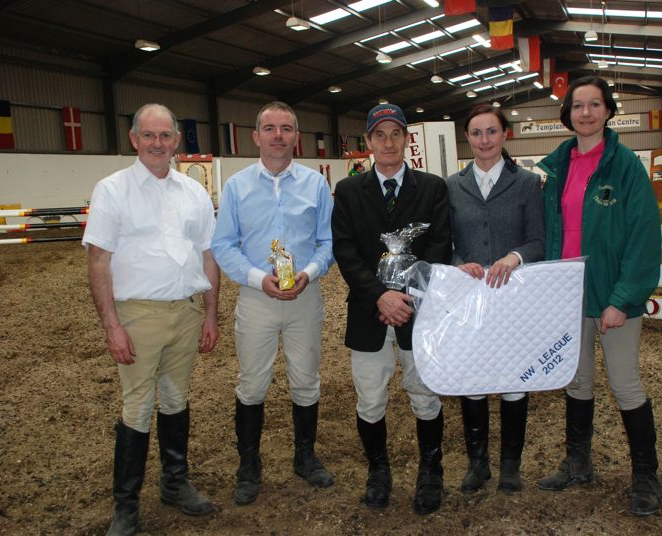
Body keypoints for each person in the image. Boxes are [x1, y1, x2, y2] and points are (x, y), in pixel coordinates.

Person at [84, 103, 220, 536]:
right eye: (149, 135)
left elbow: (208, 255)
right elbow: (98, 260)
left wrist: (211, 313)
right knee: (138, 406)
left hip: (186, 311)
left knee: (176, 398)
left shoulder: (194, 192)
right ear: (134, 139)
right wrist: (112, 325)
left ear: (176, 140)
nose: (157, 143)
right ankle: (126, 506)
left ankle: (174, 484)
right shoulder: (112, 190)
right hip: (138, 314)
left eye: (165, 136)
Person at [535, 76, 662, 516]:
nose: (585, 113)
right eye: (577, 106)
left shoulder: (625, 167)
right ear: (567, 114)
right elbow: (549, 231)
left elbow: (644, 237)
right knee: (577, 380)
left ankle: (646, 475)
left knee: (625, 384)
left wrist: (622, 299)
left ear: (608, 111)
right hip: (568, 295)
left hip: (612, 296)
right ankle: (578, 462)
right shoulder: (557, 166)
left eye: (594, 105)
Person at [210, 101, 335, 506]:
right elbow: (223, 245)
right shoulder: (236, 187)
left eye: (285, 128)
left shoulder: (315, 185)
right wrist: (256, 278)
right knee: (252, 383)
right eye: (270, 128)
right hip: (257, 297)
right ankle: (249, 465)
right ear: (256, 136)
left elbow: (328, 241)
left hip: (304, 296)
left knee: (306, 378)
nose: (278, 136)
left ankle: (305, 456)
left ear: (296, 136)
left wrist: (309, 273)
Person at [331, 103, 452, 515]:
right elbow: (346, 251)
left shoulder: (432, 188)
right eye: (379, 135)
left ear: (406, 139)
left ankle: (431, 472)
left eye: (395, 134)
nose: (388, 142)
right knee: (370, 398)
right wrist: (379, 296)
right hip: (369, 311)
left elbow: (440, 247)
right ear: (368, 141)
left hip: (418, 311)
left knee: (425, 395)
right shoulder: (349, 191)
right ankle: (378, 471)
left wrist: (409, 297)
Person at [445, 103, 545, 494]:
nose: (484, 140)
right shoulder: (453, 186)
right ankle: (478, 464)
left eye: (491, 131)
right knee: (473, 379)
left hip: (512, 297)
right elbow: (446, 241)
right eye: (476, 133)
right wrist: (458, 264)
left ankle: (510, 466)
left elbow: (538, 239)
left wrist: (514, 257)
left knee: (514, 380)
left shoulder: (527, 183)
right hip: (470, 296)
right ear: (467, 138)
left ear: (505, 134)